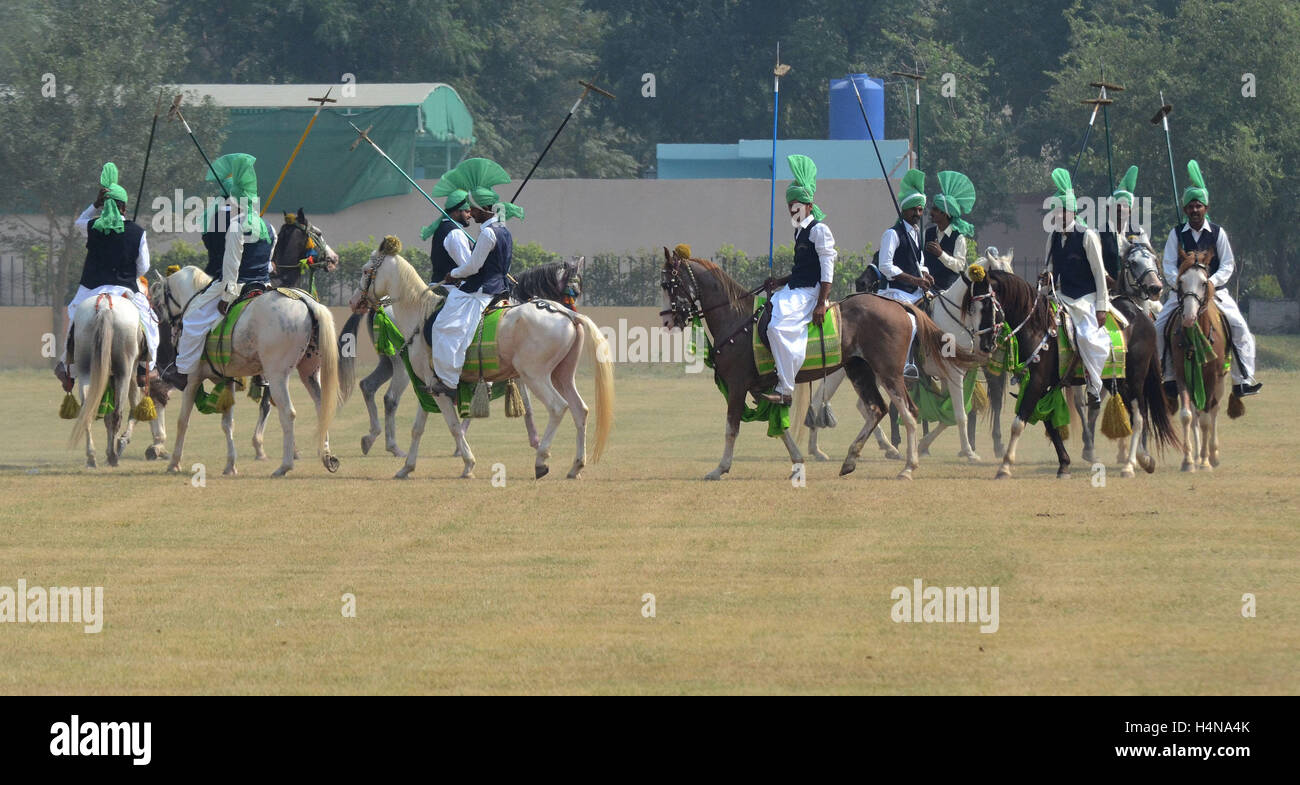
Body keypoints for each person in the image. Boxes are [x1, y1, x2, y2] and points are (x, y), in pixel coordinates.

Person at [161, 153, 275, 389]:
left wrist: (227, 296)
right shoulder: (268, 227)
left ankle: (183, 371)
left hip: (238, 286)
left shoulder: (235, 226)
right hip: (265, 286)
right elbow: (269, 262)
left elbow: (231, 265)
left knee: (192, 319)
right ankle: (263, 371)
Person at [1155, 160, 1261, 397]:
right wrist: (1180, 284)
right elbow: (1169, 265)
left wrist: (1210, 283)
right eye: (1190, 206)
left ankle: (1242, 379)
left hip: (1215, 292)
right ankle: (1168, 375)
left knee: (1241, 329)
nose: (1194, 210)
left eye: (1198, 206)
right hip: (1183, 293)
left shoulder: (1217, 232)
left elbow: (1228, 263)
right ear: (1185, 210)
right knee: (1158, 328)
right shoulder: (1176, 234)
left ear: (1206, 208)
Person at [54, 162, 159, 391]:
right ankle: (146, 367)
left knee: (74, 319)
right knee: (150, 322)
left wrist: (94, 205)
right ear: (124, 207)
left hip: (90, 290)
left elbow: (77, 222)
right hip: (125, 290)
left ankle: (68, 368)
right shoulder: (137, 232)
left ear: (104, 205)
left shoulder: (92, 225)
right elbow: (143, 267)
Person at [426, 158, 524, 396]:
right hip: (499, 287)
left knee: (444, 325)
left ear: (483, 210)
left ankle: (449, 382)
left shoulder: (488, 233)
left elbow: (472, 268)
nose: (472, 213)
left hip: (481, 289)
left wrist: (453, 274)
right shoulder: (503, 229)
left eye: (474, 209)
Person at [761, 155, 837, 406]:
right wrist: (779, 281)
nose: (791, 210)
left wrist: (822, 303)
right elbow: (801, 269)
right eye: (789, 206)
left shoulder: (819, 230)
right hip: (796, 288)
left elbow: (827, 268)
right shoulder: (799, 231)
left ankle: (785, 389)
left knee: (776, 328)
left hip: (810, 293)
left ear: (808, 205)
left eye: (795, 205)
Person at [1042, 167, 1110, 407]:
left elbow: (1099, 274)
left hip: (1086, 298)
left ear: (1072, 212)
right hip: (1061, 295)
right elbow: (1050, 269)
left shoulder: (1087, 236)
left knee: (1085, 336)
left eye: (1063, 211)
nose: (1059, 215)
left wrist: (1102, 307)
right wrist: (1044, 283)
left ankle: (1094, 387)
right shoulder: (1052, 238)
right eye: (1056, 211)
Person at [878, 169, 931, 380]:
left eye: (921, 210)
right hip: (895, 292)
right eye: (916, 210)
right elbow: (885, 266)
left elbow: (920, 261)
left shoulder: (917, 233)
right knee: (912, 322)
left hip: (915, 291)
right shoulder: (892, 234)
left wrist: (926, 275)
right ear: (907, 210)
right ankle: (906, 364)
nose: (919, 214)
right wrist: (914, 280)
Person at [924, 170, 976, 293]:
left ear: (945, 214)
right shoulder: (929, 233)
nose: (931, 213)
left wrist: (941, 254)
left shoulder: (958, 238)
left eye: (935, 210)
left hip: (948, 292)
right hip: (927, 288)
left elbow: (959, 266)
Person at [420, 189, 474, 283]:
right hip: (450, 290)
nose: (470, 215)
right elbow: (468, 267)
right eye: (467, 211)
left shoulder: (443, 227)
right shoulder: (455, 233)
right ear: (456, 212)